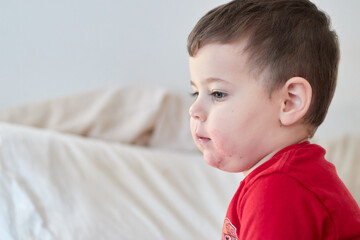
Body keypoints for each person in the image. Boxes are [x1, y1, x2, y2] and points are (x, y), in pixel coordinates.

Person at [187, 0, 360, 239]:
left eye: (218, 93)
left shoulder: (279, 189)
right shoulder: (281, 179)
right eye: (196, 92)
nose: (194, 109)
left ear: (289, 102)